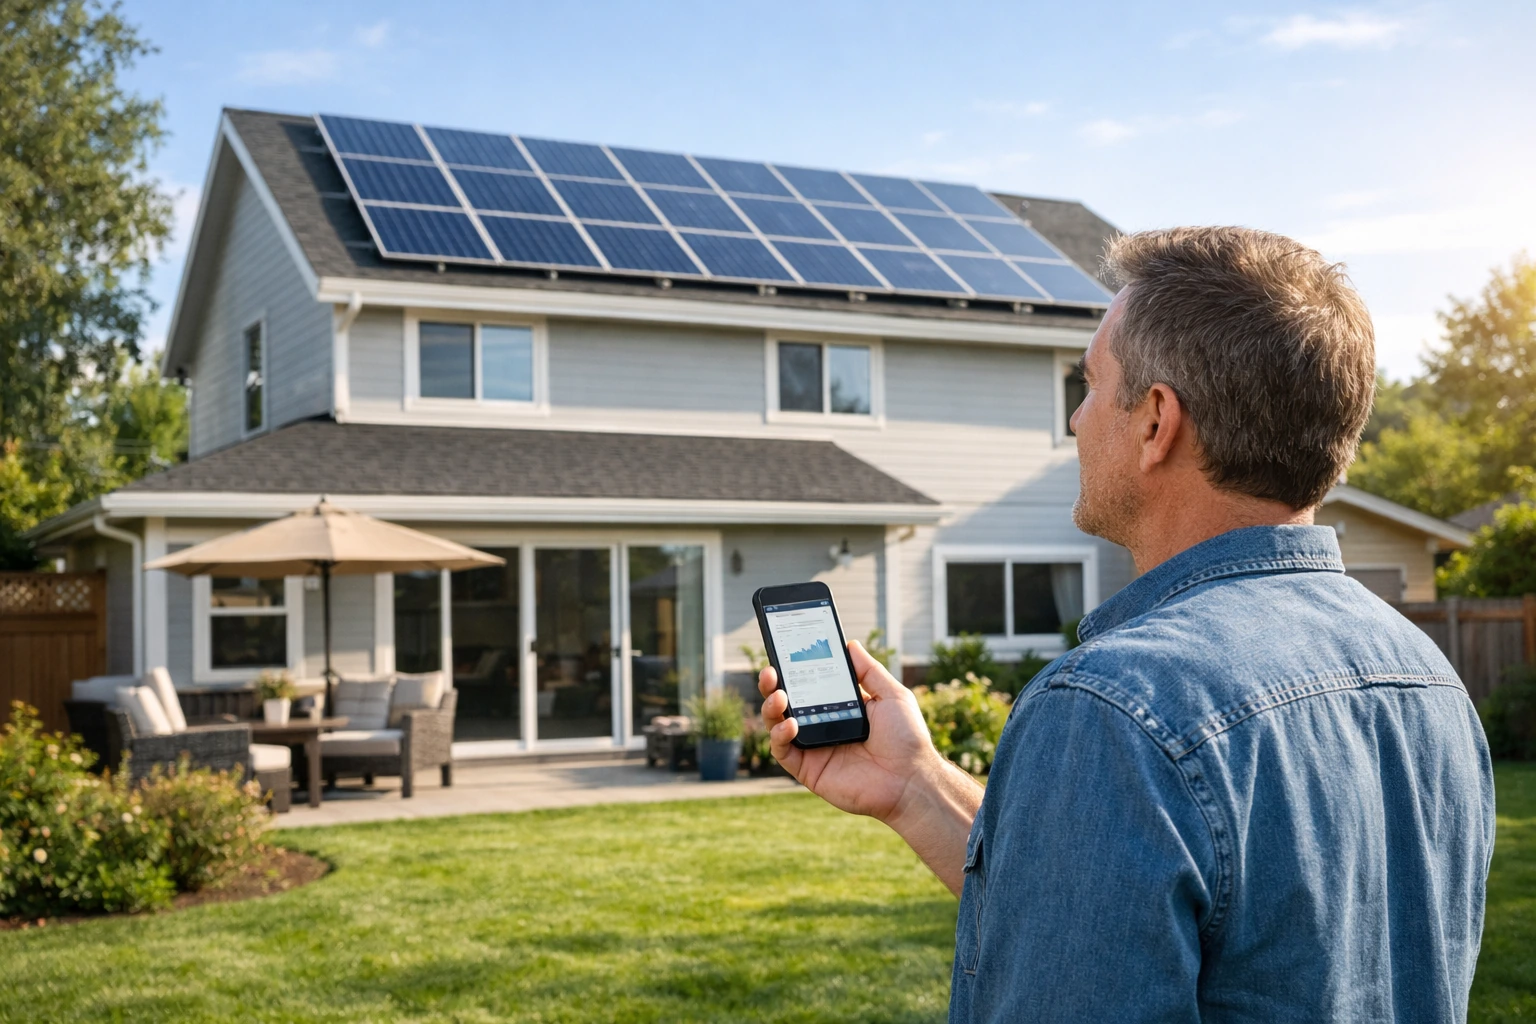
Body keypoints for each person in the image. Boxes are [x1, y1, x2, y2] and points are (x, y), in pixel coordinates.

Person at [758, 227, 1494, 1023]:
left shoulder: (1113, 706)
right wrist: (917, 786)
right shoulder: (1428, 678)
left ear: (1155, 423)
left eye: (1089, 384)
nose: (1075, 420)